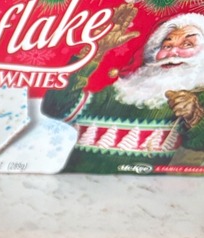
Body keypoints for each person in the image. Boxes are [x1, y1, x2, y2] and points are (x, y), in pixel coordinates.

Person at [42, 8, 204, 172]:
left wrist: (194, 116)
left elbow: (199, 143)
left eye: (187, 44)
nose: (172, 53)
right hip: (73, 178)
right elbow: (56, 107)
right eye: (167, 45)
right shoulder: (121, 92)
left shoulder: (196, 99)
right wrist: (95, 51)